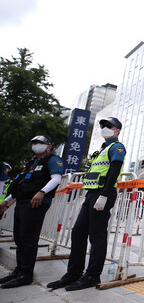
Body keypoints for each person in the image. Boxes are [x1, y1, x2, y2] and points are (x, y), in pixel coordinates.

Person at [47, 117, 126, 291]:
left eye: (109, 126)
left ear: (118, 130)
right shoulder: (101, 151)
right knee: (78, 232)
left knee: (96, 235)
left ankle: (92, 275)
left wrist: (104, 195)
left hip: (103, 193)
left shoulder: (116, 147)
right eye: (103, 126)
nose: (105, 128)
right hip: (91, 194)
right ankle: (74, 273)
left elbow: (114, 172)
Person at [0, 136, 63, 288]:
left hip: (36, 203)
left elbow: (56, 178)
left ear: (49, 146)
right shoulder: (32, 162)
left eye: (40, 143)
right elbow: (21, 185)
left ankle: (26, 274)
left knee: (28, 238)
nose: (36, 146)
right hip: (22, 202)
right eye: (34, 143)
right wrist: (6, 201)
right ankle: (18, 270)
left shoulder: (53, 160)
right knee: (19, 237)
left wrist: (42, 192)